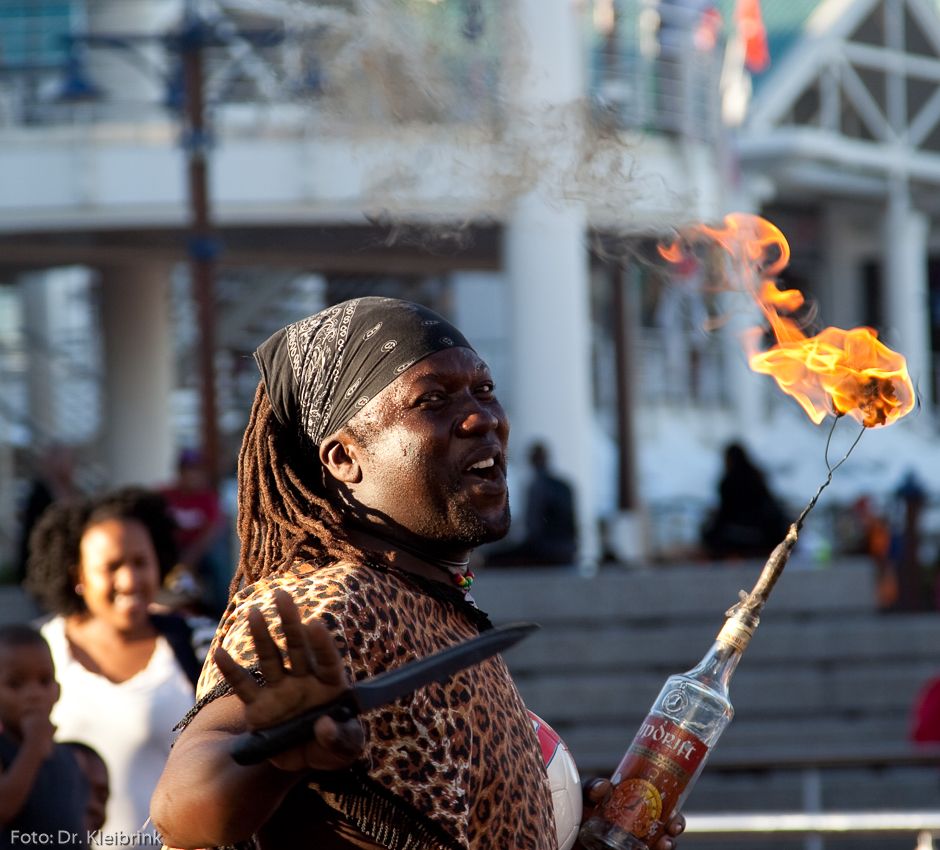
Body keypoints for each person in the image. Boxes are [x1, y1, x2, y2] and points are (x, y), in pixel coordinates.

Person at [151, 297, 685, 850]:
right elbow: (180, 812)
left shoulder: (431, 604)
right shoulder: (327, 604)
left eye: (484, 390)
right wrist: (277, 754)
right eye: (432, 400)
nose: (485, 417)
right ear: (343, 458)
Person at [25, 488, 203, 838]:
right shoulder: (36, 652)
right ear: (78, 573)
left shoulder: (202, 642)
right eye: (112, 566)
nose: (130, 580)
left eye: (140, 562)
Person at [0, 624, 88, 846]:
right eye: (15, 684)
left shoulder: (71, 758)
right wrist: (34, 745)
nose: (35, 694)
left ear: (58, 690)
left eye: (45, 681)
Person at [486, 442, 578, 566]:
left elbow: (534, 532)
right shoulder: (565, 485)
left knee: (493, 559)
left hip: (547, 552)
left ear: (531, 461)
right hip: (567, 552)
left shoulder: (538, 487)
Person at [160, 448, 227, 616]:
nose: (191, 475)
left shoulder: (208, 498)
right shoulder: (164, 495)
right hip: (171, 550)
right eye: (187, 469)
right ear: (179, 471)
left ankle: (223, 613)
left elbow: (209, 535)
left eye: (195, 470)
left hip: (199, 552)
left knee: (218, 564)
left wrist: (188, 560)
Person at [701, 442, 788, 559]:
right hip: (763, 537)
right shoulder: (757, 477)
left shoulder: (728, 482)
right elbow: (772, 508)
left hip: (735, 538)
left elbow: (724, 515)